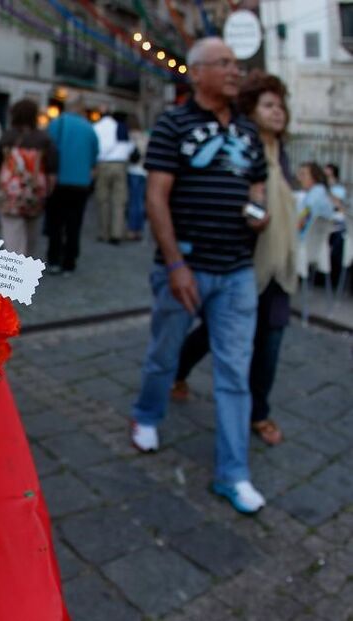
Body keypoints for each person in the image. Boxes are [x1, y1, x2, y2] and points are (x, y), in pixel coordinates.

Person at [130, 38, 270, 515]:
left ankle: (234, 475)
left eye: (237, 63)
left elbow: (257, 189)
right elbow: (155, 198)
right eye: (225, 63)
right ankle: (147, 415)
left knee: (234, 372)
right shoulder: (173, 124)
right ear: (199, 73)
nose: (236, 70)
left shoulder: (249, 132)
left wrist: (259, 213)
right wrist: (174, 264)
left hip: (236, 272)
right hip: (184, 266)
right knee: (164, 353)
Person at [171, 71, 297, 447]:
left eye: (281, 105)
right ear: (251, 108)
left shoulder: (282, 154)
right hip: (240, 261)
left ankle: (259, 412)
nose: (278, 112)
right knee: (214, 334)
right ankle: (177, 369)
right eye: (269, 105)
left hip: (278, 266)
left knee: (270, 340)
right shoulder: (241, 145)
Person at [0, 99, 58, 257]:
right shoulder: (44, 139)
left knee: (12, 234)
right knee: (31, 235)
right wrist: (47, 190)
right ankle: (27, 267)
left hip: (10, 195)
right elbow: (52, 168)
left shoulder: (6, 137)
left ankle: (15, 271)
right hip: (35, 193)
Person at [45, 96, 99, 274]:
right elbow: (94, 156)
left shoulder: (55, 124)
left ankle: (54, 259)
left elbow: (47, 152)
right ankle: (70, 260)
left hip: (58, 182)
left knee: (56, 222)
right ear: (81, 109)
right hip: (80, 183)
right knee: (74, 223)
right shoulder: (89, 129)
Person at [93, 111, 134, 243]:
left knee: (102, 199)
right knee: (119, 201)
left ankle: (103, 232)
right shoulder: (120, 127)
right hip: (120, 165)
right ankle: (116, 233)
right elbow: (129, 147)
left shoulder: (96, 127)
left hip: (103, 164)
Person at [324, 163, 348, 289]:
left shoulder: (338, 189)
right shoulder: (320, 189)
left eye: (329, 175)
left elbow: (339, 206)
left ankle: (334, 277)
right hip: (325, 223)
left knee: (338, 239)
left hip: (336, 224)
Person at [126, 115, 148, 241]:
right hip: (144, 172)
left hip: (134, 170)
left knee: (134, 202)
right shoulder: (145, 136)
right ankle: (139, 229)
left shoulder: (131, 136)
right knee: (139, 202)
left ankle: (132, 229)